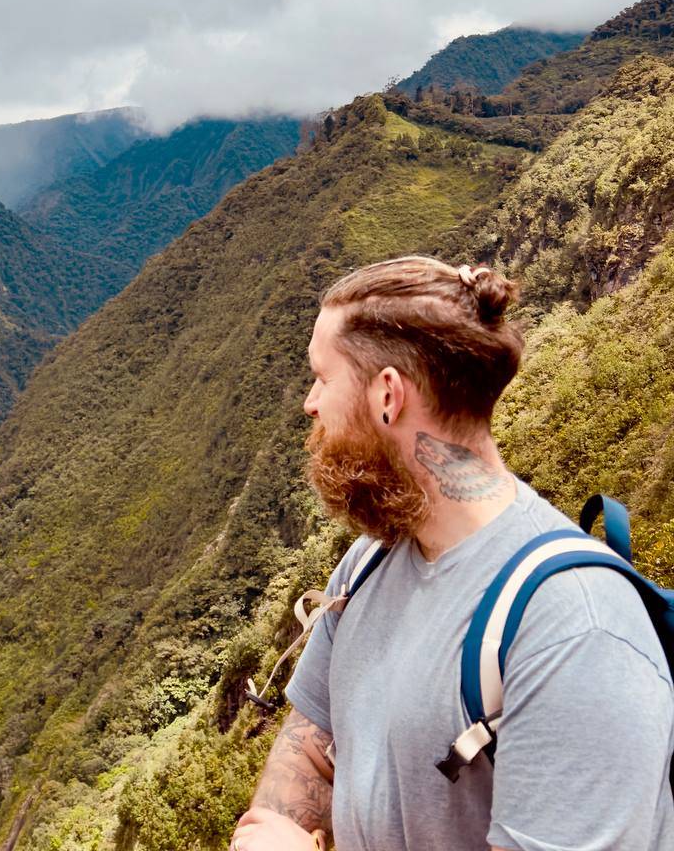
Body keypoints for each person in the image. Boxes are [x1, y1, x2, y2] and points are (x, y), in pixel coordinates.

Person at [229, 255, 674, 851]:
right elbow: (312, 750)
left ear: (388, 395)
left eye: (323, 378)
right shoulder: (367, 565)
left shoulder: (575, 630)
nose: (310, 403)